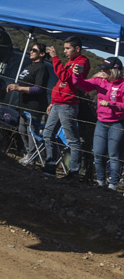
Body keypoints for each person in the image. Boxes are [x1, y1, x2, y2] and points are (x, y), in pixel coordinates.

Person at [71, 56, 124, 191]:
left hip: (117, 123)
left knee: (114, 155)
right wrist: (76, 75)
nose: (103, 71)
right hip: (101, 121)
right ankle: (100, 182)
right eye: (102, 69)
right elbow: (82, 85)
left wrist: (113, 104)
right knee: (98, 153)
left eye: (105, 69)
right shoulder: (100, 81)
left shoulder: (122, 84)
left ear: (115, 70)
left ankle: (112, 185)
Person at [41, 37, 89, 179]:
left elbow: (64, 76)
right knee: (47, 134)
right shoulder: (70, 62)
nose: (65, 51)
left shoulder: (81, 62)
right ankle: (50, 165)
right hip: (58, 103)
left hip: (68, 105)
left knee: (72, 139)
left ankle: (74, 171)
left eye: (68, 48)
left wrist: (55, 58)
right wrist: (53, 101)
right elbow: (61, 82)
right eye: (64, 48)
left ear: (77, 49)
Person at [8, 42, 50, 165]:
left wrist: (18, 88)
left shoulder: (41, 68)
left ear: (42, 54)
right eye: (31, 49)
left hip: (34, 106)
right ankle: (29, 153)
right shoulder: (29, 66)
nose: (31, 51)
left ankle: (32, 157)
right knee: (22, 129)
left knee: (32, 131)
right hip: (23, 104)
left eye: (34, 50)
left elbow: (38, 89)